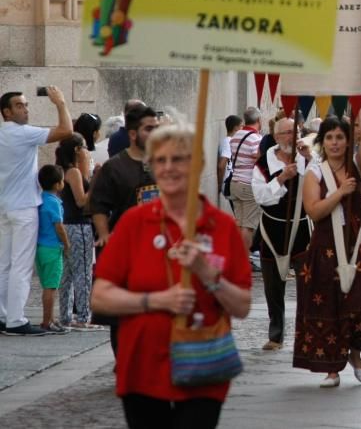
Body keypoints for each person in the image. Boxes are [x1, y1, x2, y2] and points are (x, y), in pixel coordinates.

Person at [90, 123, 252, 428]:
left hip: (203, 366)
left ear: (198, 164)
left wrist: (207, 273)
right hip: (143, 367)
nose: (169, 168)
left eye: (179, 159)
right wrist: (157, 300)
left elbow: (241, 306)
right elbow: (100, 297)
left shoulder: (222, 226)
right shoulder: (133, 223)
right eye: (160, 160)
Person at [295, 112, 361, 388]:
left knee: (358, 304)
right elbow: (314, 211)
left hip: (356, 246)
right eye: (329, 137)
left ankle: (355, 354)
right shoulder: (314, 172)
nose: (334, 143)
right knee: (328, 306)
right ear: (323, 141)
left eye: (340, 137)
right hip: (325, 247)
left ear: (347, 140)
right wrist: (340, 193)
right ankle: (332, 369)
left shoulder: (357, 166)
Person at [0, 87, 72, 336]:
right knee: (20, 265)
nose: (26, 109)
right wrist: (60, 103)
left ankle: (4, 316)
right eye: (19, 105)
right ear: (6, 112)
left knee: (5, 265)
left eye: (26, 104)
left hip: (6, 206)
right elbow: (66, 131)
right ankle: (16, 320)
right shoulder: (22, 133)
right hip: (23, 207)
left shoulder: (4, 134)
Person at [89, 104, 160, 352]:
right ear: (133, 133)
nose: (155, 133)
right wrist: (105, 234)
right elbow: (98, 205)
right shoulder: (115, 167)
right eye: (149, 129)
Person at [251, 118, 312, 351]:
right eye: (287, 132)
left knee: (308, 285)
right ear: (276, 137)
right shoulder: (263, 165)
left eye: (296, 131)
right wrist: (281, 179)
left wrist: (310, 159)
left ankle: (307, 333)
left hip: (302, 231)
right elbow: (261, 197)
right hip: (272, 231)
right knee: (273, 287)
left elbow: (324, 181)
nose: (292, 136)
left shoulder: (307, 159)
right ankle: (276, 335)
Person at [55, 133, 97, 329]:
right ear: (76, 150)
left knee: (68, 274)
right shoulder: (73, 172)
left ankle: (65, 316)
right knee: (83, 273)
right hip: (79, 225)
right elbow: (81, 201)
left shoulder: (63, 171)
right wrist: (96, 180)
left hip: (66, 224)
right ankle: (83, 317)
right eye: (84, 148)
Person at [36, 164, 71, 334]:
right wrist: (66, 244)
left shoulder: (40, 199)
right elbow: (59, 226)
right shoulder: (54, 203)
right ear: (58, 184)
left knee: (47, 285)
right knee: (51, 287)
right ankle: (46, 321)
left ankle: (50, 319)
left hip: (40, 247)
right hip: (52, 248)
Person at [228, 107, 263, 253]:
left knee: (239, 223)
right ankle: (243, 259)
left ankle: (236, 255)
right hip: (248, 184)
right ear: (259, 121)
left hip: (235, 182)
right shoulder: (255, 138)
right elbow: (259, 157)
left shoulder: (236, 136)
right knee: (248, 226)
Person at [217, 114, 241, 206]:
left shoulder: (233, 141)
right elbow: (221, 165)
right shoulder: (228, 141)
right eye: (241, 126)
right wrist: (219, 185)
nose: (243, 129)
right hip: (229, 184)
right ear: (235, 128)